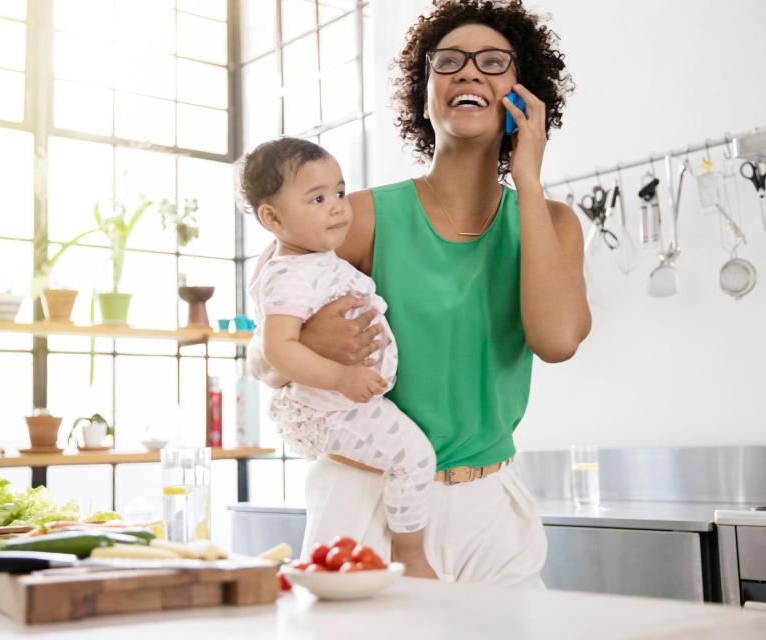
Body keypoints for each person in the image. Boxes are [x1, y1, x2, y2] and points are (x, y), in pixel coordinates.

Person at [248, 0, 590, 587]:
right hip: (367, 500)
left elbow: (556, 341)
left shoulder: (551, 223)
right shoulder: (354, 217)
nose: (468, 72)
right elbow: (260, 354)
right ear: (422, 91)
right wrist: (309, 341)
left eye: (493, 61)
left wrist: (528, 180)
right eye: (448, 62)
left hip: (490, 505)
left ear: (523, 94)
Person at [240, 137, 438, 578]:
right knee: (415, 458)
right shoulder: (288, 275)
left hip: (347, 400)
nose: (338, 207)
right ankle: (411, 554)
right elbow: (278, 348)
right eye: (317, 198)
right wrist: (341, 377)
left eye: (340, 192)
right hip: (336, 406)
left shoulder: (311, 259)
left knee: (409, 458)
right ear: (272, 218)